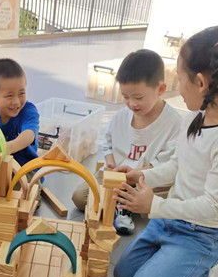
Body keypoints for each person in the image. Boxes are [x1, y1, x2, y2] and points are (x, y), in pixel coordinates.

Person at [112, 25, 218, 277]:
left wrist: (154, 205)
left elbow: (213, 206)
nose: (178, 88)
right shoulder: (196, 117)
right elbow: (178, 165)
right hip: (170, 218)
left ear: (201, 82)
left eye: (180, 79)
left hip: (204, 233)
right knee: (123, 276)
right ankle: (173, 262)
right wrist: (141, 175)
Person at [72, 49, 182, 235]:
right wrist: (111, 163)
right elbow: (107, 142)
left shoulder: (173, 122)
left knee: (169, 200)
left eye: (138, 97)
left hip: (145, 180)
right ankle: (124, 206)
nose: (131, 103)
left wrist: (138, 173)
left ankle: (122, 205)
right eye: (125, 97)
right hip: (117, 175)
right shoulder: (121, 116)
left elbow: (167, 163)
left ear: (160, 90)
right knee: (79, 197)